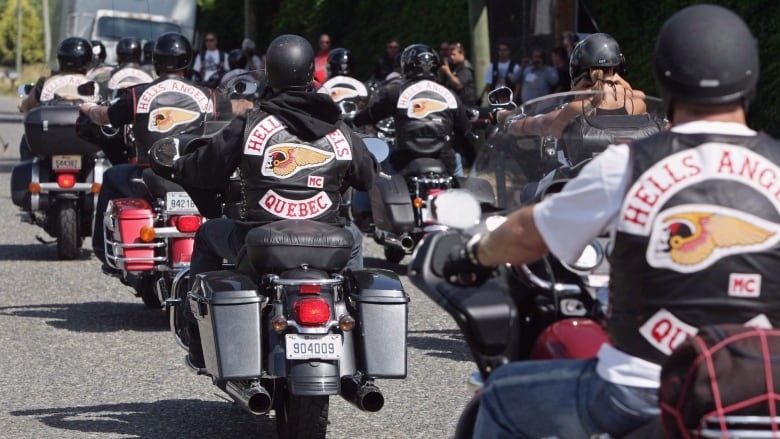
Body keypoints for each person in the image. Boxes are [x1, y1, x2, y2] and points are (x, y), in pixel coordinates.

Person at [444, 4, 776, 438]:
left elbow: (525, 232)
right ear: (750, 78)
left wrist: (473, 252)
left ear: (668, 77)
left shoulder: (627, 164)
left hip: (639, 387)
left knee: (500, 396)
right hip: (764, 384)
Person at [167, 34, 377, 368]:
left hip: (260, 241)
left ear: (269, 74)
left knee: (207, 235)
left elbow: (206, 170)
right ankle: (359, 330)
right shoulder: (339, 128)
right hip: (329, 242)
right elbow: (367, 178)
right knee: (354, 239)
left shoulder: (250, 124)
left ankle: (196, 336)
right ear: (312, 72)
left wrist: (180, 165)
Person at [79, 32, 229, 267]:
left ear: (156, 61)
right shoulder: (213, 97)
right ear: (188, 60)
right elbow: (227, 130)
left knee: (111, 175)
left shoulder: (138, 95)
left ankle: (101, 249)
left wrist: (88, 109)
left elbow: (106, 116)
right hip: (197, 177)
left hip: (151, 175)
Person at [352, 43, 473, 176]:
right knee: (459, 170)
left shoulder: (396, 93)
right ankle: (463, 193)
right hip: (444, 161)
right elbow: (465, 128)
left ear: (406, 66)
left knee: (375, 180)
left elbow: (371, 114)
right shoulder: (450, 95)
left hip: (405, 161)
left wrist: (352, 121)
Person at [502, 33, 647, 141]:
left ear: (579, 73)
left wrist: (508, 123)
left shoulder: (577, 108)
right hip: (624, 177)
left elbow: (541, 126)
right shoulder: (638, 104)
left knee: (534, 184)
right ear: (618, 70)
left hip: (582, 177)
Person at [17, 37, 97, 161]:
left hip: (50, 140)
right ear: (88, 60)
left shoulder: (45, 82)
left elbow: (28, 104)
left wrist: (22, 105)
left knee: (26, 142)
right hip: (84, 142)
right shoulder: (93, 85)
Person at [482, 39, 521, 104]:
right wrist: (492, 99)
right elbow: (488, 84)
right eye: (500, 50)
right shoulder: (492, 66)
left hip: (509, 98)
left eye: (505, 50)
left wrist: (513, 99)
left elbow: (518, 85)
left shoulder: (515, 67)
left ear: (509, 51)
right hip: (496, 97)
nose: (502, 52)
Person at [439, 41, 477, 106]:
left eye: (454, 55)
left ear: (461, 54)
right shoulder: (454, 66)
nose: (451, 57)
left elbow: (459, 85)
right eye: (450, 55)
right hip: (456, 103)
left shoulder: (466, 68)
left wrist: (447, 72)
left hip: (466, 104)